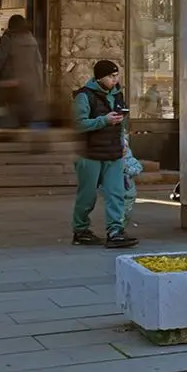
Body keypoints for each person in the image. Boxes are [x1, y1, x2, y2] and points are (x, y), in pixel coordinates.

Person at [70, 60, 137, 248]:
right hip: (89, 153)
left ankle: (115, 231)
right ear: (99, 78)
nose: (115, 80)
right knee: (87, 195)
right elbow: (78, 124)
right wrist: (103, 120)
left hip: (113, 152)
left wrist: (124, 142)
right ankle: (80, 230)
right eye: (110, 76)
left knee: (116, 193)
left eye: (116, 75)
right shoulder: (84, 96)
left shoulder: (117, 95)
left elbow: (123, 123)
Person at [0, 15, 46, 128]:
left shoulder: (8, 38)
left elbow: (2, 60)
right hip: (30, 84)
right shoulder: (31, 39)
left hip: (11, 83)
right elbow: (38, 63)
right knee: (25, 115)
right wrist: (39, 83)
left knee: (10, 115)